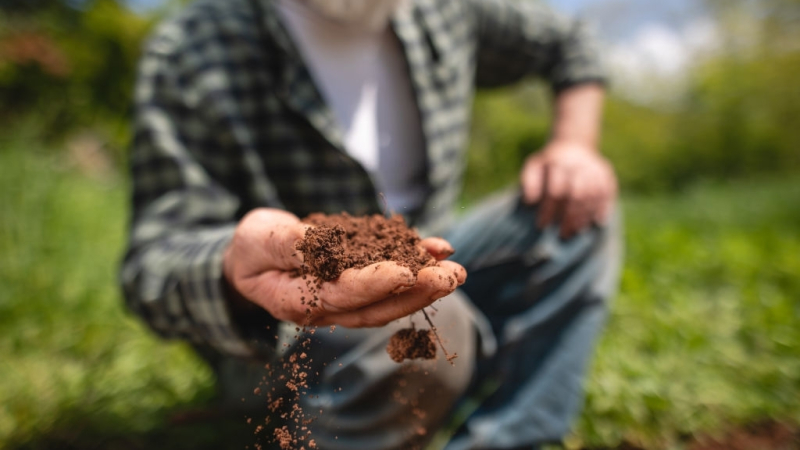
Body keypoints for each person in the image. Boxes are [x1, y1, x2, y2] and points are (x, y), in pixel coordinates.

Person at [121, 0, 622, 448]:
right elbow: (153, 266)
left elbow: (570, 41)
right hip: (281, 335)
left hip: (437, 258)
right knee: (424, 329)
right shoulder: (194, 49)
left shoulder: (442, 11)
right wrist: (234, 264)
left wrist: (574, 145)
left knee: (576, 208)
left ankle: (509, 434)